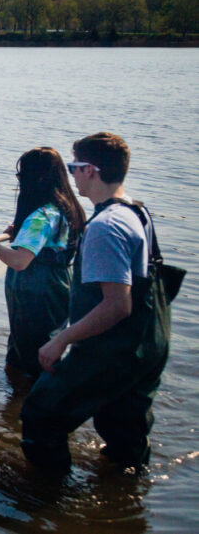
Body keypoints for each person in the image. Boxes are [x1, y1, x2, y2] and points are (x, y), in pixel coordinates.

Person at [19, 132, 171, 471]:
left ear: (91, 170)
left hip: (115, 346)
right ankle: (123, 501)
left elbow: (118, 306)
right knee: (124, 430)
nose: (71, 175)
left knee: (41, 414)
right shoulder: (136, 211)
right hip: (150, 341)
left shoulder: (106, 226)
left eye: (74, 167)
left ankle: (43, 503)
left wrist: (61, 339)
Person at [0, 147, 86, 379]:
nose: (19, 181)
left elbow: (19, 262)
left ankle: (36, 400)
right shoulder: (66, 208)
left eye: (21, 176)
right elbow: (53, 243)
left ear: (36, 179)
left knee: (32, 353)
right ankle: (16, 406)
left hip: (36, 292)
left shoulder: (41, 216)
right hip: (60, 284)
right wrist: (21, 232)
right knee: (41, 345)